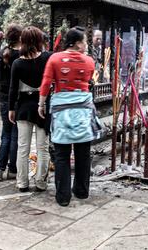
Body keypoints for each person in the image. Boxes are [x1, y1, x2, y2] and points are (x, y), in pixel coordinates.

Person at [39, 27, 96, 206]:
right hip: (83, 111)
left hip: (61, 110)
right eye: (85, 41)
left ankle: (63, 196)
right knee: (83, 153)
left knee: (62, 154)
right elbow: (87, 81)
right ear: (78, 44)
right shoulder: (89, 61)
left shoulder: (54, 59)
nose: (86, 45)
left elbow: (46, 83)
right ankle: (81, 191)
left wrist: (41, 104)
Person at [9, 26, 52, 192]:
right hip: (43, 105)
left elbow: (13, 89)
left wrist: (11, 109)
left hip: (23, 107)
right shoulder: (48, 57)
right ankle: (41, 182)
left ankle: (22, 182)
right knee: (43, 147)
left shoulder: (18, 63)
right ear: (39, 40)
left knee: (23, 147)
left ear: (24, 41)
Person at [0, 24, 23, 181]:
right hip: (18, 99)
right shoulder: (21, 55)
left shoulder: (0, 53)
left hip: (4, 98)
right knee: (15, 135)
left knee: (6, 134)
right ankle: (12, 169)